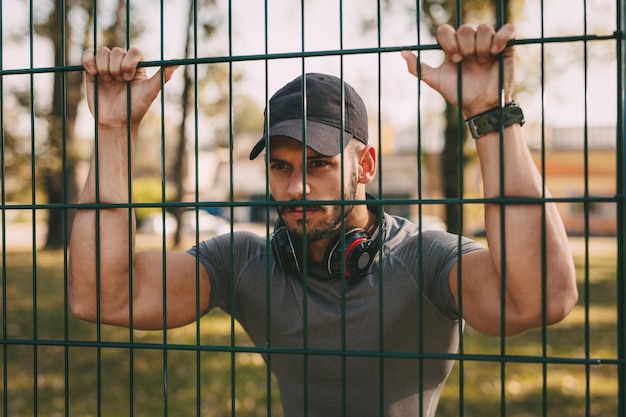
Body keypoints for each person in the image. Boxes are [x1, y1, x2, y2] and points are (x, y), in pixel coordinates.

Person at [69, 23, 578, 417]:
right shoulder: (245, 263)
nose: (296, 189)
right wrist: (113, 129)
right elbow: (102, 295)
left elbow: (542, 298)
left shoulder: (423, 258)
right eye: (281, 167)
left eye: (319, 164)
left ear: (366, 165)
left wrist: (491, 113)